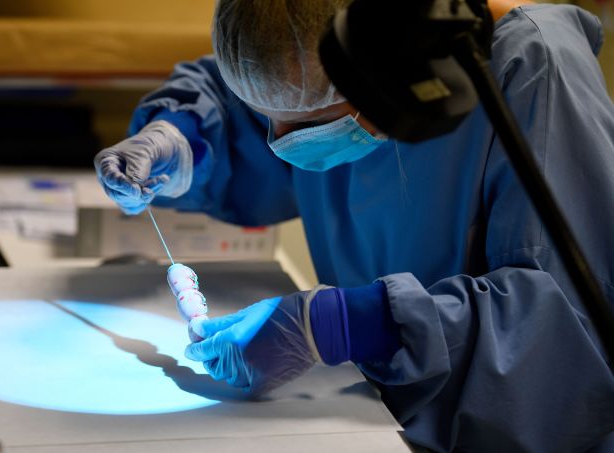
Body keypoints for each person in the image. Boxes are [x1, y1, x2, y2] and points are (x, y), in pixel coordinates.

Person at [94, 1, 614, 451]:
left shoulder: (530, 67)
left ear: (394, 73)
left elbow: (569, 334)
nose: (277, 138)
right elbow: (273, 95)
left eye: (305, 125)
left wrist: (348, 324)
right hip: (379, 419)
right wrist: (184, 135)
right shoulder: (324, 73)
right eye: (265, 115)